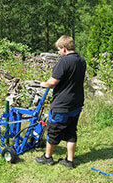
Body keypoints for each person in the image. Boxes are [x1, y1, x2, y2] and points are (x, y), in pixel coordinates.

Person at [35, 35, 86, 169]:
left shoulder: (64, 62)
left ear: (64, 49)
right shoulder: (82, 60)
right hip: (77, 103)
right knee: (71, 131)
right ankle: (69, 161)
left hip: (62, 104)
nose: (58, 52)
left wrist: (43, 84)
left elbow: (53, 82)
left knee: (53, 131)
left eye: (58, 50)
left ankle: (47, 157)